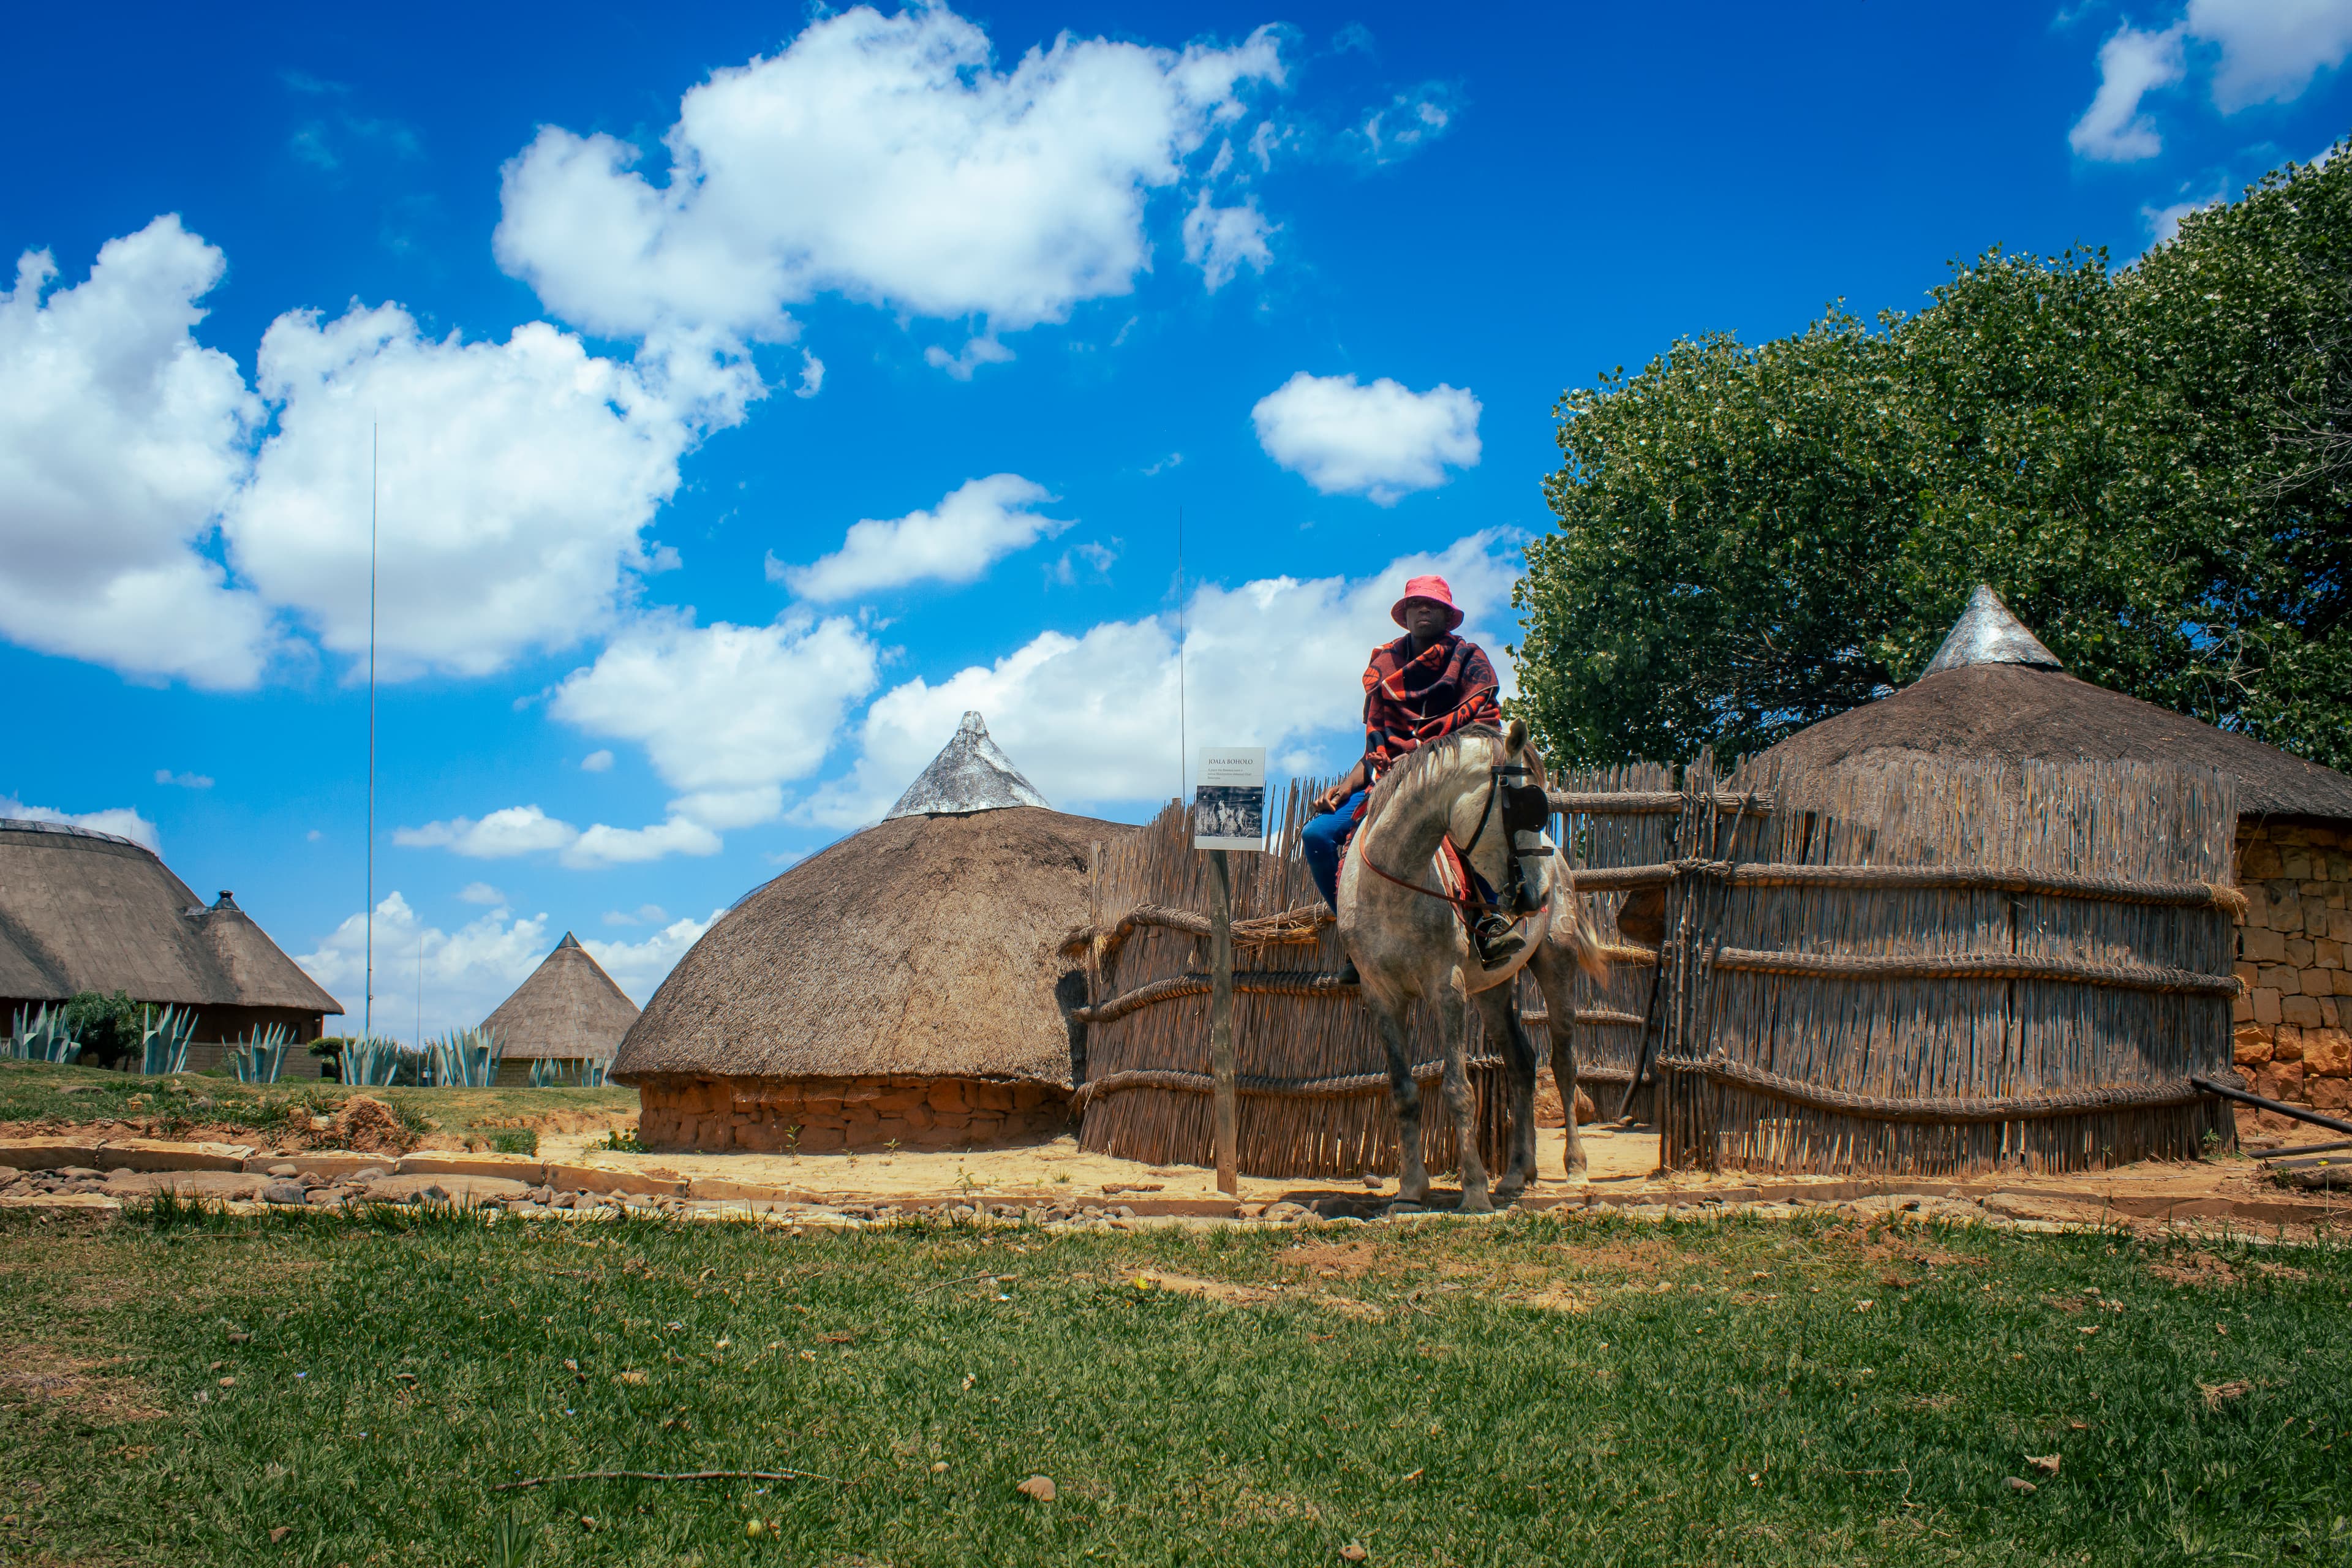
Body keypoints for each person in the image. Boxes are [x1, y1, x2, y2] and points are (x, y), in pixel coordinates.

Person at [1302, 574, 1525, 967]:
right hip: (1387, 781)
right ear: (1405, 615)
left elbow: (1482, 736)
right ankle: (1356, 932)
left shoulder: (1469, 661)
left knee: (1475, 827)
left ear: (1447, 616)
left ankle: (1489, 921)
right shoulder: (1385, 665)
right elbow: (1376, 750)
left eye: (1434, 605)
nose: (1425, 610)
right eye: (1417, 605)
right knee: (1316, 834)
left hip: (1451, 778)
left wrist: (1425, 761)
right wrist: (1346, 784)